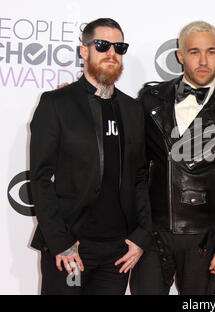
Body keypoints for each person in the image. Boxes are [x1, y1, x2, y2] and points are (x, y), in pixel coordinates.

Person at [130, 21, 215, 295]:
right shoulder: (150, 99)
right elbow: (134, 164)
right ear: (180, 56)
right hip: (153, 233)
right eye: (194, 52)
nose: (203, 61)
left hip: (204, 237)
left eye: (210, 52)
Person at [30, 18, 152, 295]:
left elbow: (140, 176)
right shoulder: (56, 104)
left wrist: (141, 236)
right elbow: (40, 178)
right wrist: (60, 241)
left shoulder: (133, 110)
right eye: (102, 45)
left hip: (117, 253)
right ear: (84, 51)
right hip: (72, 249)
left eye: (119, 47)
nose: (112, 53)